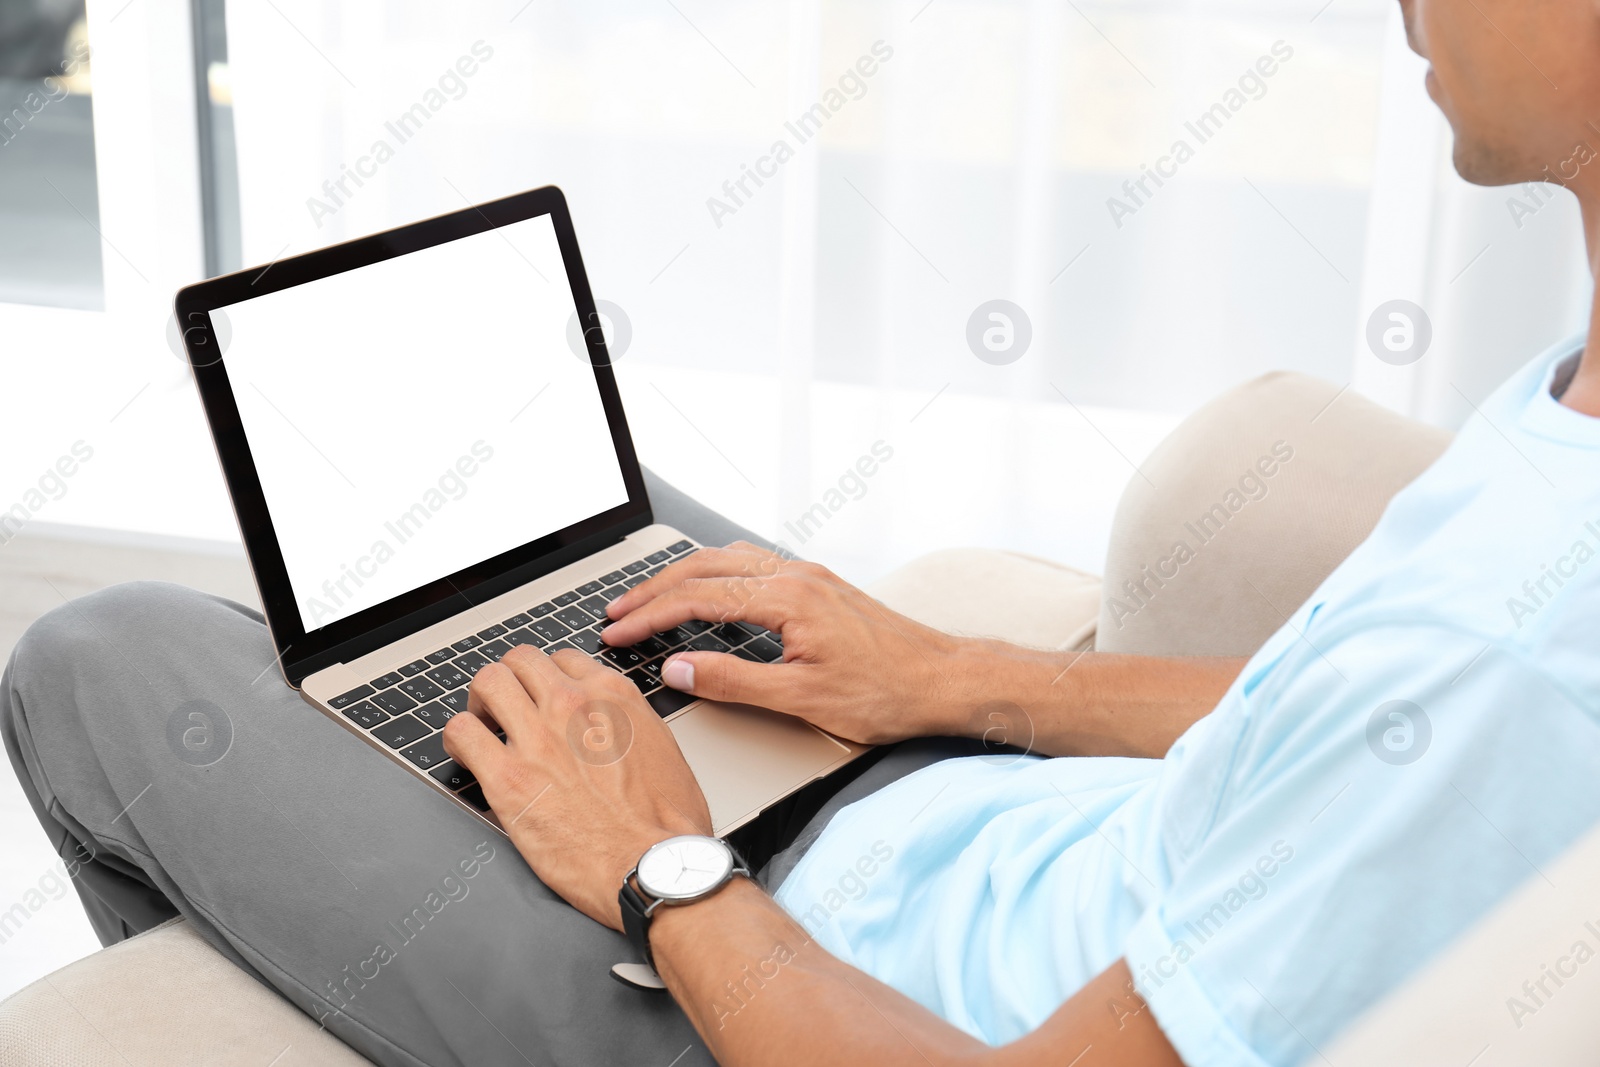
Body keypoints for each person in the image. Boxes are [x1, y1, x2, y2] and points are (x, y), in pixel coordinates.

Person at [6, 1, 1599, 1063]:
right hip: (941, 842)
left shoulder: (1518, 650)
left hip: (771, 1010)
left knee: (98, 653)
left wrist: (662, 866)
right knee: (600, 552)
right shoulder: (1572, 426)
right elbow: (1349, 718)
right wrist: (955, 677)